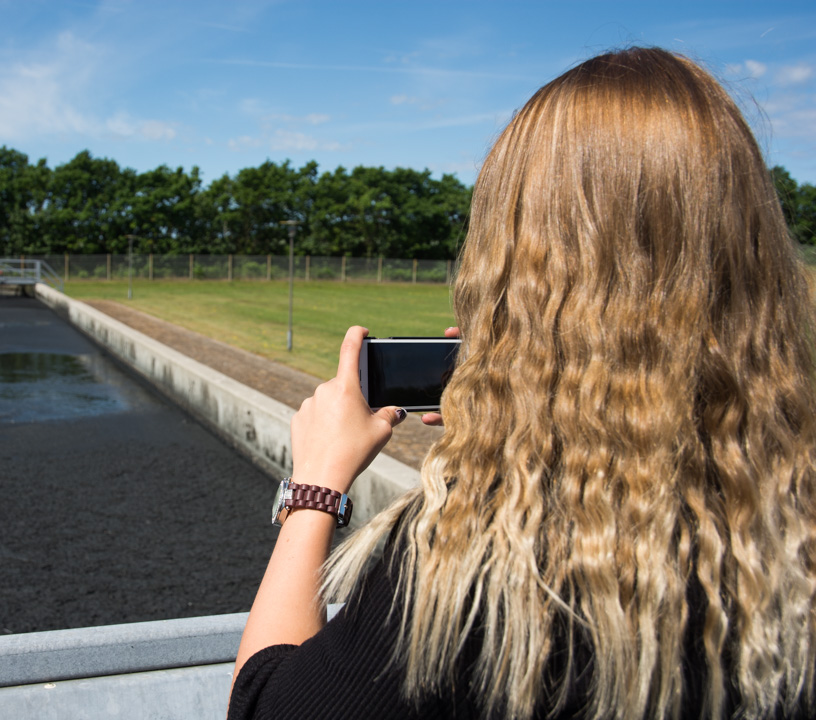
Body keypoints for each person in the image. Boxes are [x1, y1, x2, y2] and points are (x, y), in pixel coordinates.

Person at [228, 46, 816, 720]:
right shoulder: (786, 519)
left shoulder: (468, 564)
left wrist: (314, 488)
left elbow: (263, 705)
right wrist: (527, 422)